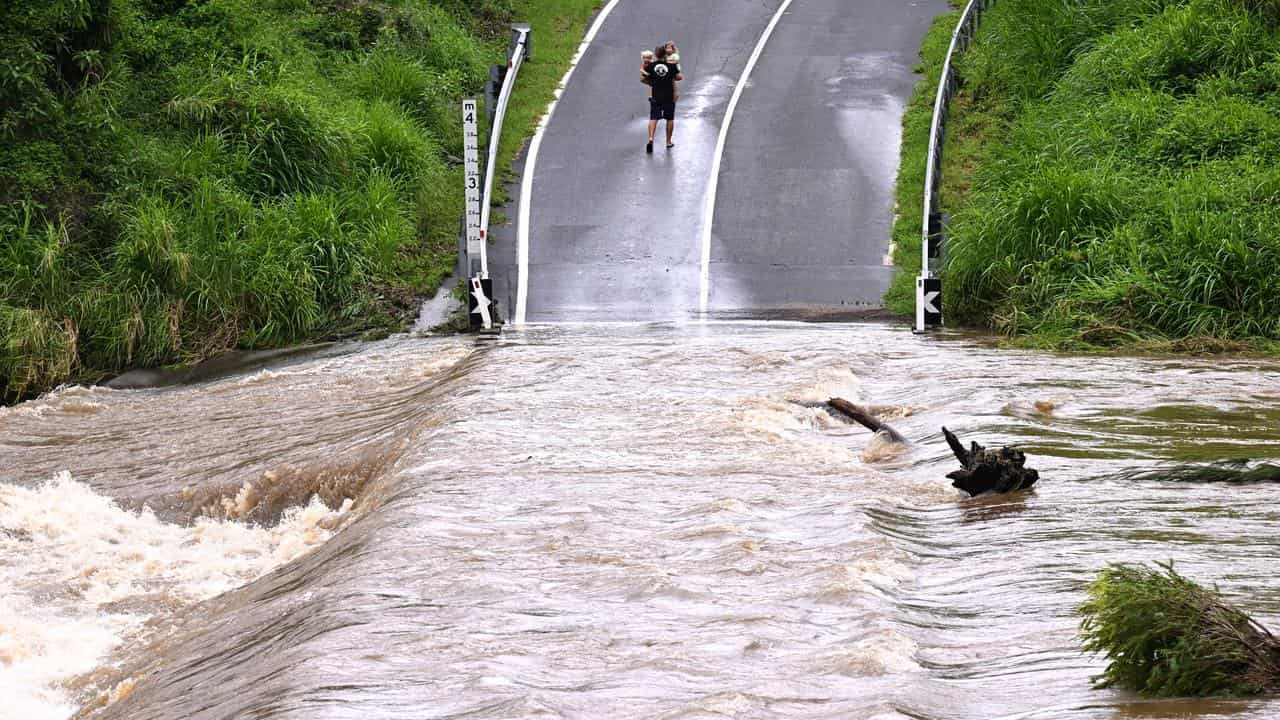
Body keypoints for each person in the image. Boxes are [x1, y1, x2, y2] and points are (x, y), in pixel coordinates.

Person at [644, 45, 682, 153]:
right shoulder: (671, 66)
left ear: (655, 55)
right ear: (665, 54)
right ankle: (668, 142)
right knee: (669, 119)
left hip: (655, 96)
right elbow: (679, 77)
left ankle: (651, 138)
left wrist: (651, 82)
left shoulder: (650, 66)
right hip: (669, 96)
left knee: (653, 118)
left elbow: (643, 78)